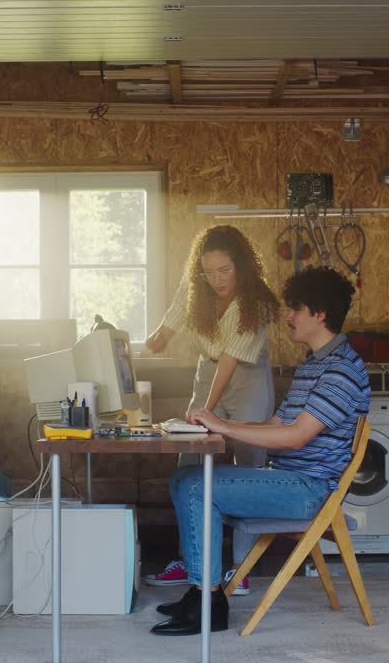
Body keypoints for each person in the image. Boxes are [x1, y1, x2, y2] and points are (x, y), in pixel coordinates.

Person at [150, 265, 371, 635]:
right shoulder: (314, 365)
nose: (288, 318)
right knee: (184, 476)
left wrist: (223, 426)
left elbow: (296, 437)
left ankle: (209, 603)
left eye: (296, 309)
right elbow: (277, 424)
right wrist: (214, 424)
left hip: (308, 491)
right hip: (289, 480)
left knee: (194, 485)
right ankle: (202, 592)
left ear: (319, 314)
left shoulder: (341, 371)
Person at [145, 225, 280, 594]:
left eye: (225, 270)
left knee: (249, 465)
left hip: (246, 376)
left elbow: (232, 359)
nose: (216, 279)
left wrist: (206, 409)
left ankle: (241, 569)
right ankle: (191, 561)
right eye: (208, 271)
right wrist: (160, 337)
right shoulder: (199, 290)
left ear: (242, 266)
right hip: (208, 372)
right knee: (188, 461)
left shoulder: (258, 303)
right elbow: (178, 308)